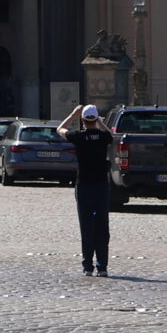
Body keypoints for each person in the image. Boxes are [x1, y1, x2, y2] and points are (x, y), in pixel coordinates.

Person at [58, 104, 114, 277]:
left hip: (84, 185)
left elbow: (60, 129)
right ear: (96, 119)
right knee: (102, 226)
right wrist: (99, 122)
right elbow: (110, 135)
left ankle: (87, 266)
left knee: (87, 226)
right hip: (101, 186)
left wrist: (73, 114)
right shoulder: (103, 137)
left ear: (83, 120)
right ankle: (102, 266)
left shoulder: (79, 137)